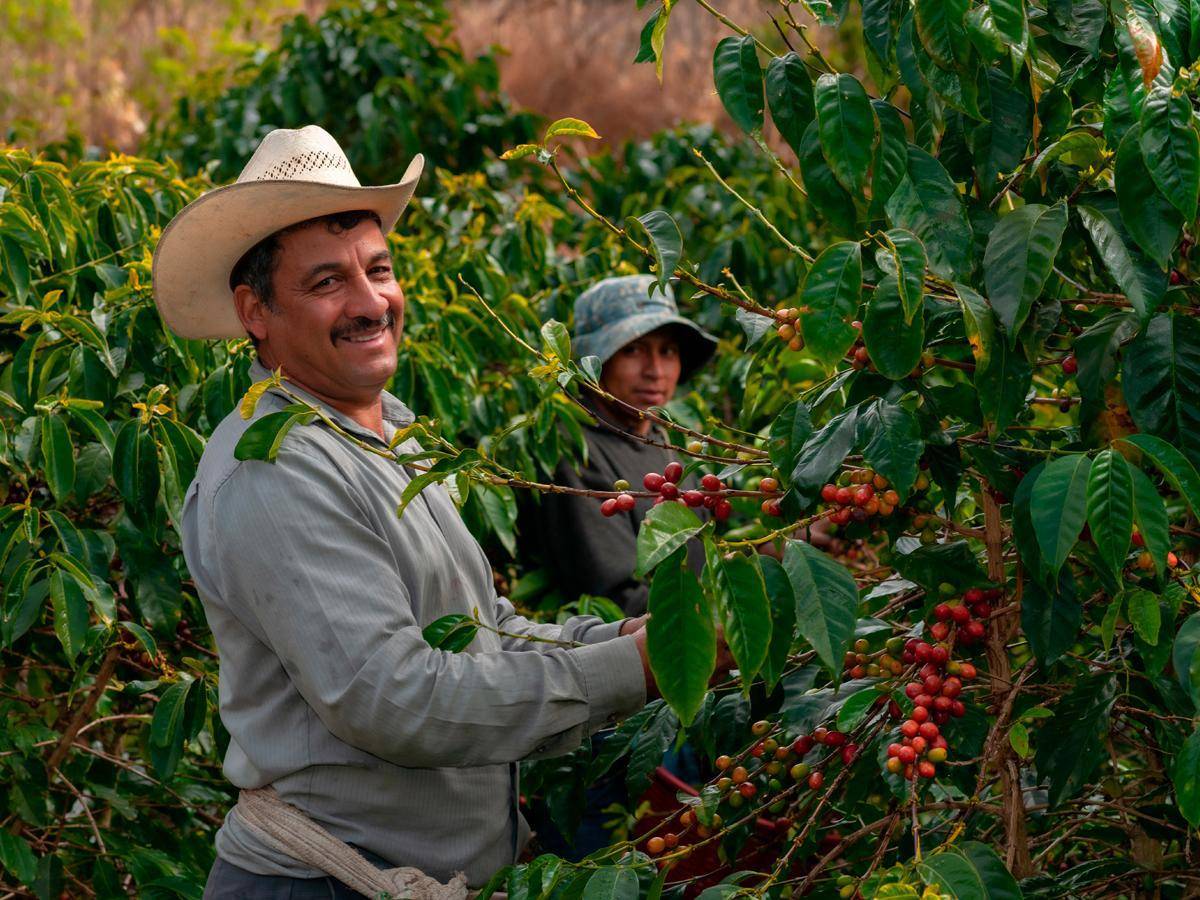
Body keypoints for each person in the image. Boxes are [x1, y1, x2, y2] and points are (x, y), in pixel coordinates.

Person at [152, 125, 700, 898]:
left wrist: (622, 639)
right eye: (325, 283)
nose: (370, 301)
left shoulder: (394, 433)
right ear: (255, 312)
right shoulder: (273, 468)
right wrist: (631, 671)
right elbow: (396, 701)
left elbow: (476, 628)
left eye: (378, 270)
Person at [528, 274, 717, 617]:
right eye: (632, 349)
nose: (655, 371)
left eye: (668, 351)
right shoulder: (574, 450)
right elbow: (620, 598)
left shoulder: (671, 441)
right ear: (593, 361)